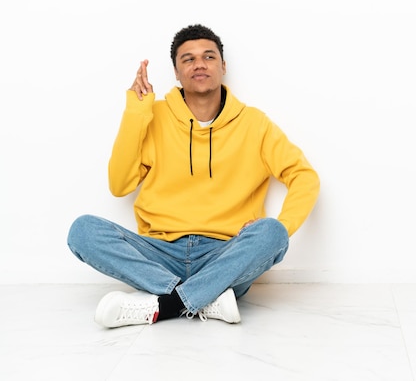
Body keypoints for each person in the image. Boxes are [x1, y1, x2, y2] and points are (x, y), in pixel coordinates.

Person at [67, 24, 320, 329]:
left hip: (225, 254)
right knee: (82, 231)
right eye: (188, 59)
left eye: (208, 57)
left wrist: (284, 223)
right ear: (176, 71)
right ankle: (207, 298)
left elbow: (304, 176)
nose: (199, 64)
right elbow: (119, 185)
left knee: (273, 233)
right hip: (160, 252)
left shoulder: (254, 123)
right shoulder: (154, 116)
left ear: (223, 66)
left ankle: (167, 303)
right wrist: (136, 112)